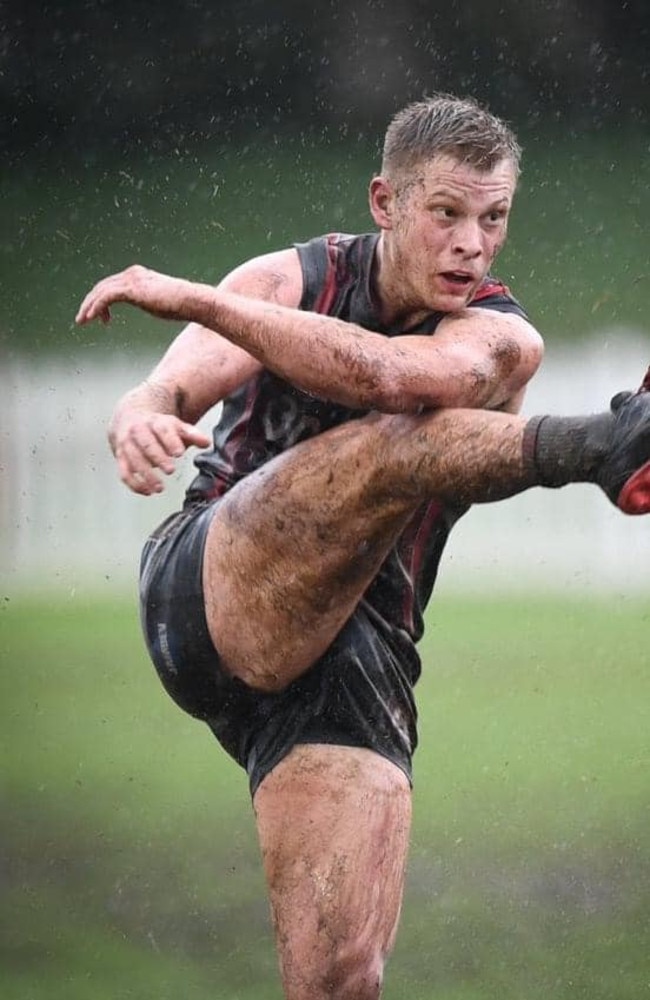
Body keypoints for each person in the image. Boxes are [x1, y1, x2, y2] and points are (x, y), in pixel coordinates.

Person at [76, 93, 650, 1000]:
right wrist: (138, 415)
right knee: (402, 444)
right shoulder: (285, 280)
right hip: (211, 591)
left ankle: (615, 444)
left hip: (356, 657)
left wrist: (189, 296)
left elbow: (393, 373)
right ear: (385, 204)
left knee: (341, 980)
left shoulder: (502, 339)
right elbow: (164, 396)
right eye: (447, 214)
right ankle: (607, 444)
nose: (473, 244)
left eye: (493, 218)